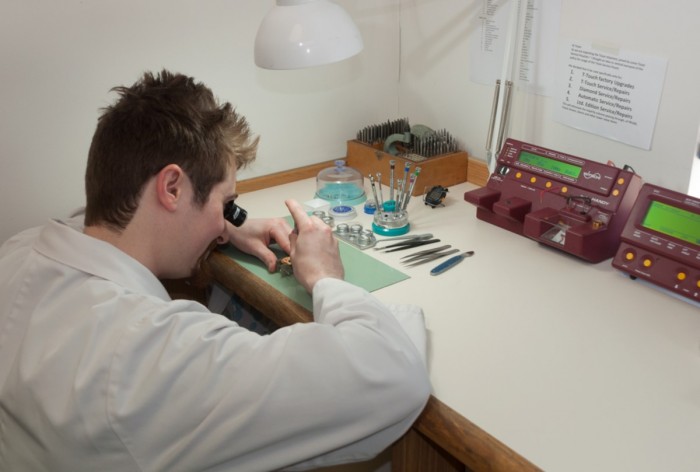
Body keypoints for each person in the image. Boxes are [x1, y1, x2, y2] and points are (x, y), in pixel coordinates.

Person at [0, 70, 431, 471]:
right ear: (172, 188)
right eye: (226, 202)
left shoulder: (20, 253)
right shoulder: (153, 355)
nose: (228, 216)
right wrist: (324, 277)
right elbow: (390, 376)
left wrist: (221, 224)